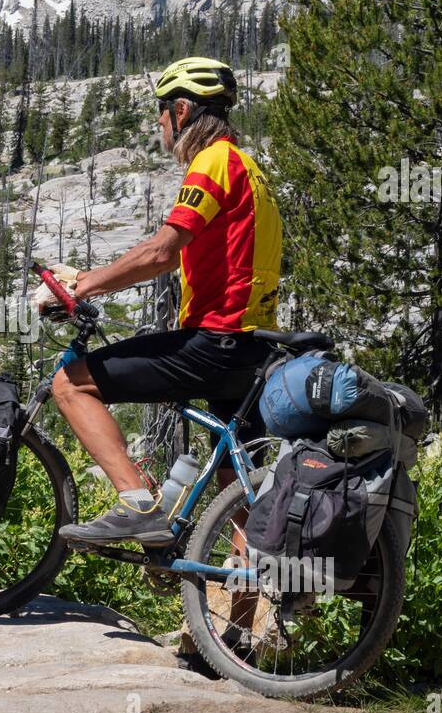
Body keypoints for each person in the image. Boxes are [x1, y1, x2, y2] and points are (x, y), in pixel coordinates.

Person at [32, 57, 282, 545]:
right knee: (241, 497)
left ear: (182, 111)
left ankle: (137, 503)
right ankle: (233, 623)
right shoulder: (252, 169)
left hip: (215, 342)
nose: (158, 124)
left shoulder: (214, 161)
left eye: (161, 112)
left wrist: (80, 285)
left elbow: (161, 251)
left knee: (70, 384)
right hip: (254, 350)